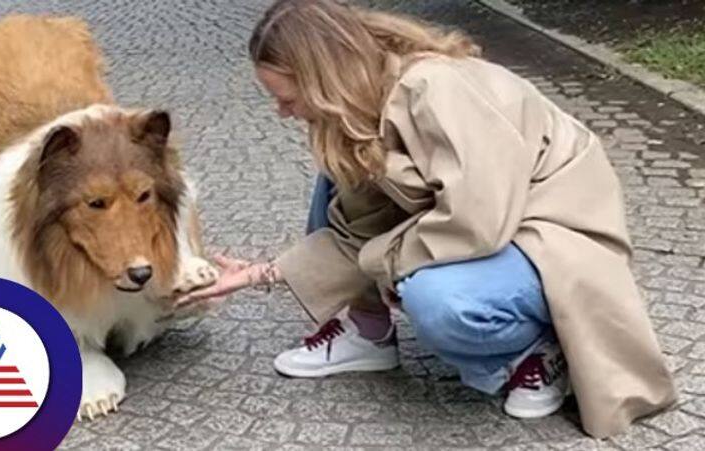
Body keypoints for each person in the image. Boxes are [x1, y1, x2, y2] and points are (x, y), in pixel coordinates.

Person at [178, 0, 676, 438]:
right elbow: (355, 229)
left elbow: (478, 221)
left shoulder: (435, 89)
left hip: (551, 228)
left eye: (287, 96)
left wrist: (385, 262)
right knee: (339, 176)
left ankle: (538, 350)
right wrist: (263, 273)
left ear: (323, 78)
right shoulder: (359, 111)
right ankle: (366, 328)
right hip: (493, 224)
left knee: (437, 299)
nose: (282, 111)